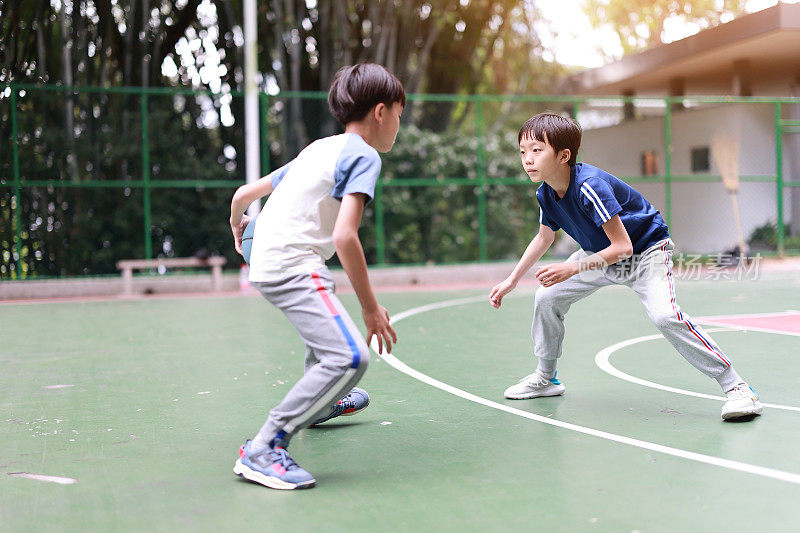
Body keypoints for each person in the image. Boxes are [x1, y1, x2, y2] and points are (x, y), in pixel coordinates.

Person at [489, 112, 762, 421]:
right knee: (546, 298)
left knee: (665, 316)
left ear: (564, 155)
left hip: (645, 252)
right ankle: (546, 377)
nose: (527, 159)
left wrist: (572, 269)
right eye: (523, 151)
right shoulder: (546, 194)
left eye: (537, 150)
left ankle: (737, 388)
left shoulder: (590, 185)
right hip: (600, 253)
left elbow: (624, 247)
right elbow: (543, 237)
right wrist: (512, 280)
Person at [228, 63, 403, 490]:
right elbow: (345, 236)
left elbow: (244, 195)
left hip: (270, 260)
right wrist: (371, 309)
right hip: (292, 264)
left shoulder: (321, 148)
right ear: (380, 112)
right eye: (400, 113)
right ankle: (264, 448)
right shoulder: (363, 155)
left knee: (328, 338)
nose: (399, 124)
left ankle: (321, 407)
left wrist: (239, 226)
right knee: (350, 356)